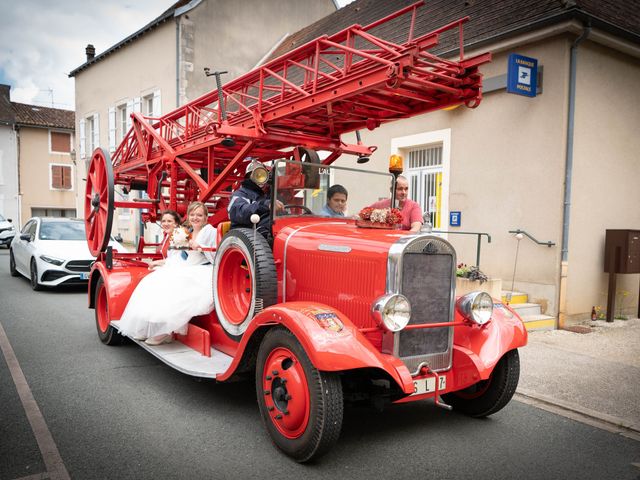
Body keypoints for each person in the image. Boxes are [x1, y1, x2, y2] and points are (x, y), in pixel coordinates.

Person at [118, 202, 216, 345]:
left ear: (206, 217)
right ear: (188, 216)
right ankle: (149, 328)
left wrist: (199, 247)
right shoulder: (184, 232)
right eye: (192, 214)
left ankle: (165, 331)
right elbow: (178, 257)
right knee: (152, 280)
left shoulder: (209, 231)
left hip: (203, 268)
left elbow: (215, 255)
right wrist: (161, 264)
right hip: (186, 266)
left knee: (176, 283)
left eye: (199, 215)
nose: (196, 218)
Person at [228, 159, 283, 241]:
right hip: (244, 238)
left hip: (259, 233)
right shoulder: (239, 194)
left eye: (262, 174)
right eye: (257, 174)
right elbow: (239, 212)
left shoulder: (266, 195)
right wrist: (264, 205)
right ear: (249, 176)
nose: (259, 177)